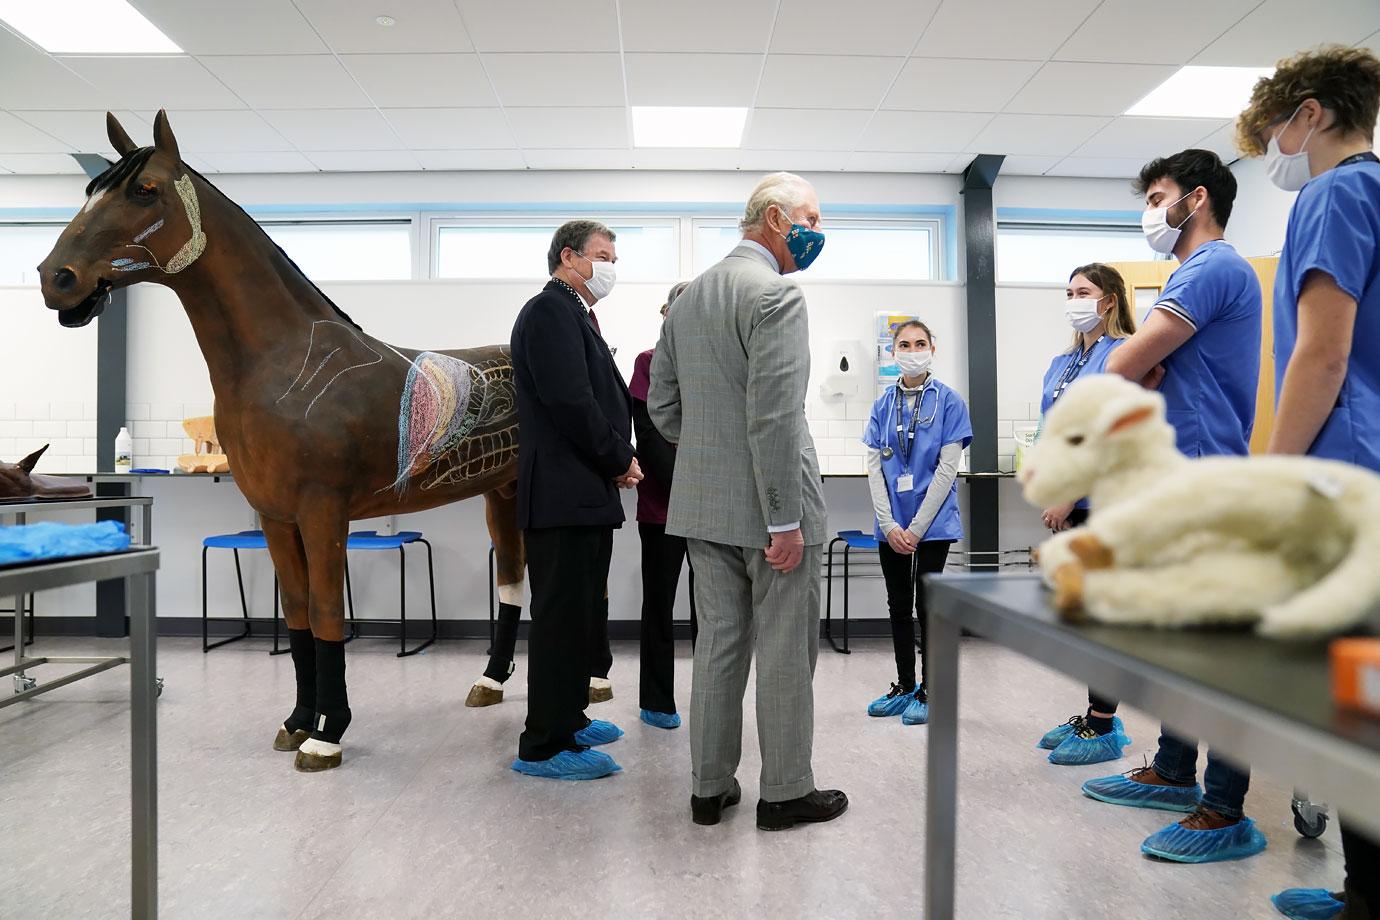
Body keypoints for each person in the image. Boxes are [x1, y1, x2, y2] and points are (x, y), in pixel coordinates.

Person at [1079, 149, 1267, 864]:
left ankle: (1223, 810)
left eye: (1157, 196)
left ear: (1195, 198)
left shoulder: (1215, 267)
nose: (1149, 211)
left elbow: (1120, 365)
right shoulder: (1186, 276)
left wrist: (1130, 365)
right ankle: (1175, 769)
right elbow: (1130, 365)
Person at [649, 171, 847, 831]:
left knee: (719, 646)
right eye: (810, 219)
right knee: (786, 649)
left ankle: (709, 788)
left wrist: (713, 453)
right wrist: (784, 519)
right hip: (773, 515)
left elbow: (663, 410)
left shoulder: (691, 297)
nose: (817, 232)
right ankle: (786, 792)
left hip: (704, 506)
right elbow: (775, 417)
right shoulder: (776, 296)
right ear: (771, 219)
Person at [1236, 44, 1380, 920]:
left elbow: (1322, 354)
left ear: (1312, 114)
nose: (1276, 155)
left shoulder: (1334, 194)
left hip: (1342, 472)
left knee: (1354, 695)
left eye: (1275, 134)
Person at [508, 220, 641, 781]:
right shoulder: (548, 312)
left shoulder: (576, 315)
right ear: (569, 257)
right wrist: (619, 457)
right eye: (602, 255)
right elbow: (571, 403)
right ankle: (543, 744)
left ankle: (570, 717)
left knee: (580, 616)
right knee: (560, 620)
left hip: (581, 494)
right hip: (562, 495)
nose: (611, 266)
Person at [1034, 263, 1138, 766]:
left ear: (1110, 300)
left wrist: (1071, 496)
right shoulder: (1062, 362)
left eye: (1084, 291)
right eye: (1068, 291)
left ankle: (1102, 725)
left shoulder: (1121, 355)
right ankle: (1096, 713)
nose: (1074, 299)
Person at [862, 319, 970, 726]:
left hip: (933, 522)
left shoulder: (950, 402)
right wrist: (889, 525)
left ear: (932, 348)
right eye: (904, 344)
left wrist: (917, 528)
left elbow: (947, 470)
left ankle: (931, 689)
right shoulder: (881, 406)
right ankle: (905, 684)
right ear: (893, 353)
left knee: (927, 606)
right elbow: (874, 468)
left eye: (919, 343)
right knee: (896, 603)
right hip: (891, 522)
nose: (912, 350)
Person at [631, 280, 696, 730]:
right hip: (663, 507)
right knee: (659, 604)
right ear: (666, 314)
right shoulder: (648, 363)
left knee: (715, 609)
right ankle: (656, 700)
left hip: (714, 510)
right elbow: (648, 433)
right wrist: (689, 489)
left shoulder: (715, 364)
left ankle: (713, 696)